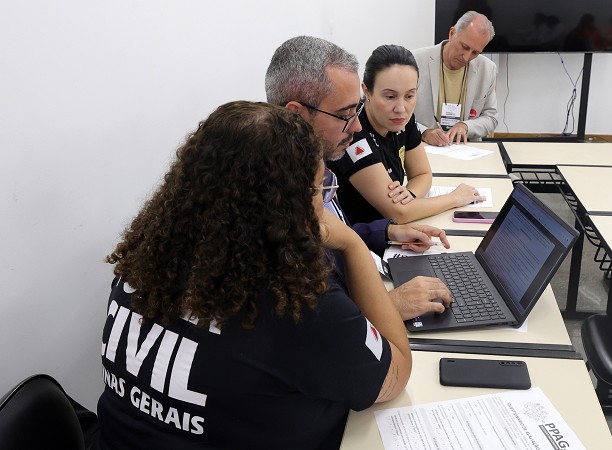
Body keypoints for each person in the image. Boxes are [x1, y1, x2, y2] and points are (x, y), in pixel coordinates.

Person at [95, 101, 411, 450]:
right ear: (285, 203)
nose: (322, 204)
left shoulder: (145, 262)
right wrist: (351, 244)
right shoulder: (297, 301)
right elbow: (396, 372)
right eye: (317, 189)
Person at [265, 36, 452, 319]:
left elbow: (336, 234)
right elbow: (308, 318)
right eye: (345, 115)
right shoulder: (275, 200)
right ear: (296, 115)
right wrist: (388, 305)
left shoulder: (313, 169)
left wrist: (385, 232)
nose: (356, 127)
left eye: (357, 111)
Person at [328, 44, 484, 225]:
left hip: (396, 230)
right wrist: (455, 198)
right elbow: (398, 213)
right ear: (367, 91)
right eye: (390, 97)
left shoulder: (402, 120)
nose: (401, 109)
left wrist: (409, 194)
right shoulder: (353, 132)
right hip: (365, 236)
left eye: (409, 96)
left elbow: (422, 174)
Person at [413, 11, 498, 146]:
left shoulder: (488, 69)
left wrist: (465, 126)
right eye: (465, 47)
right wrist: (424, 132)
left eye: (475, 53)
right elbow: (398, 112)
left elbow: (491, 118)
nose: (466, 57)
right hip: (423, 145)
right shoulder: (415, 61)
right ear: (452, 33)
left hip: (465, 148)